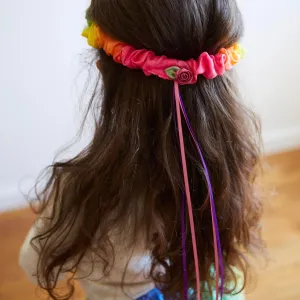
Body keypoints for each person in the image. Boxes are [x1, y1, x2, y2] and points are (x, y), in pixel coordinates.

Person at [20, 0, 264, 299]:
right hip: (213, 288)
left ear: (102, 69)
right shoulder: (231, 161)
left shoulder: (83, 191)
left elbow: (32, 264)